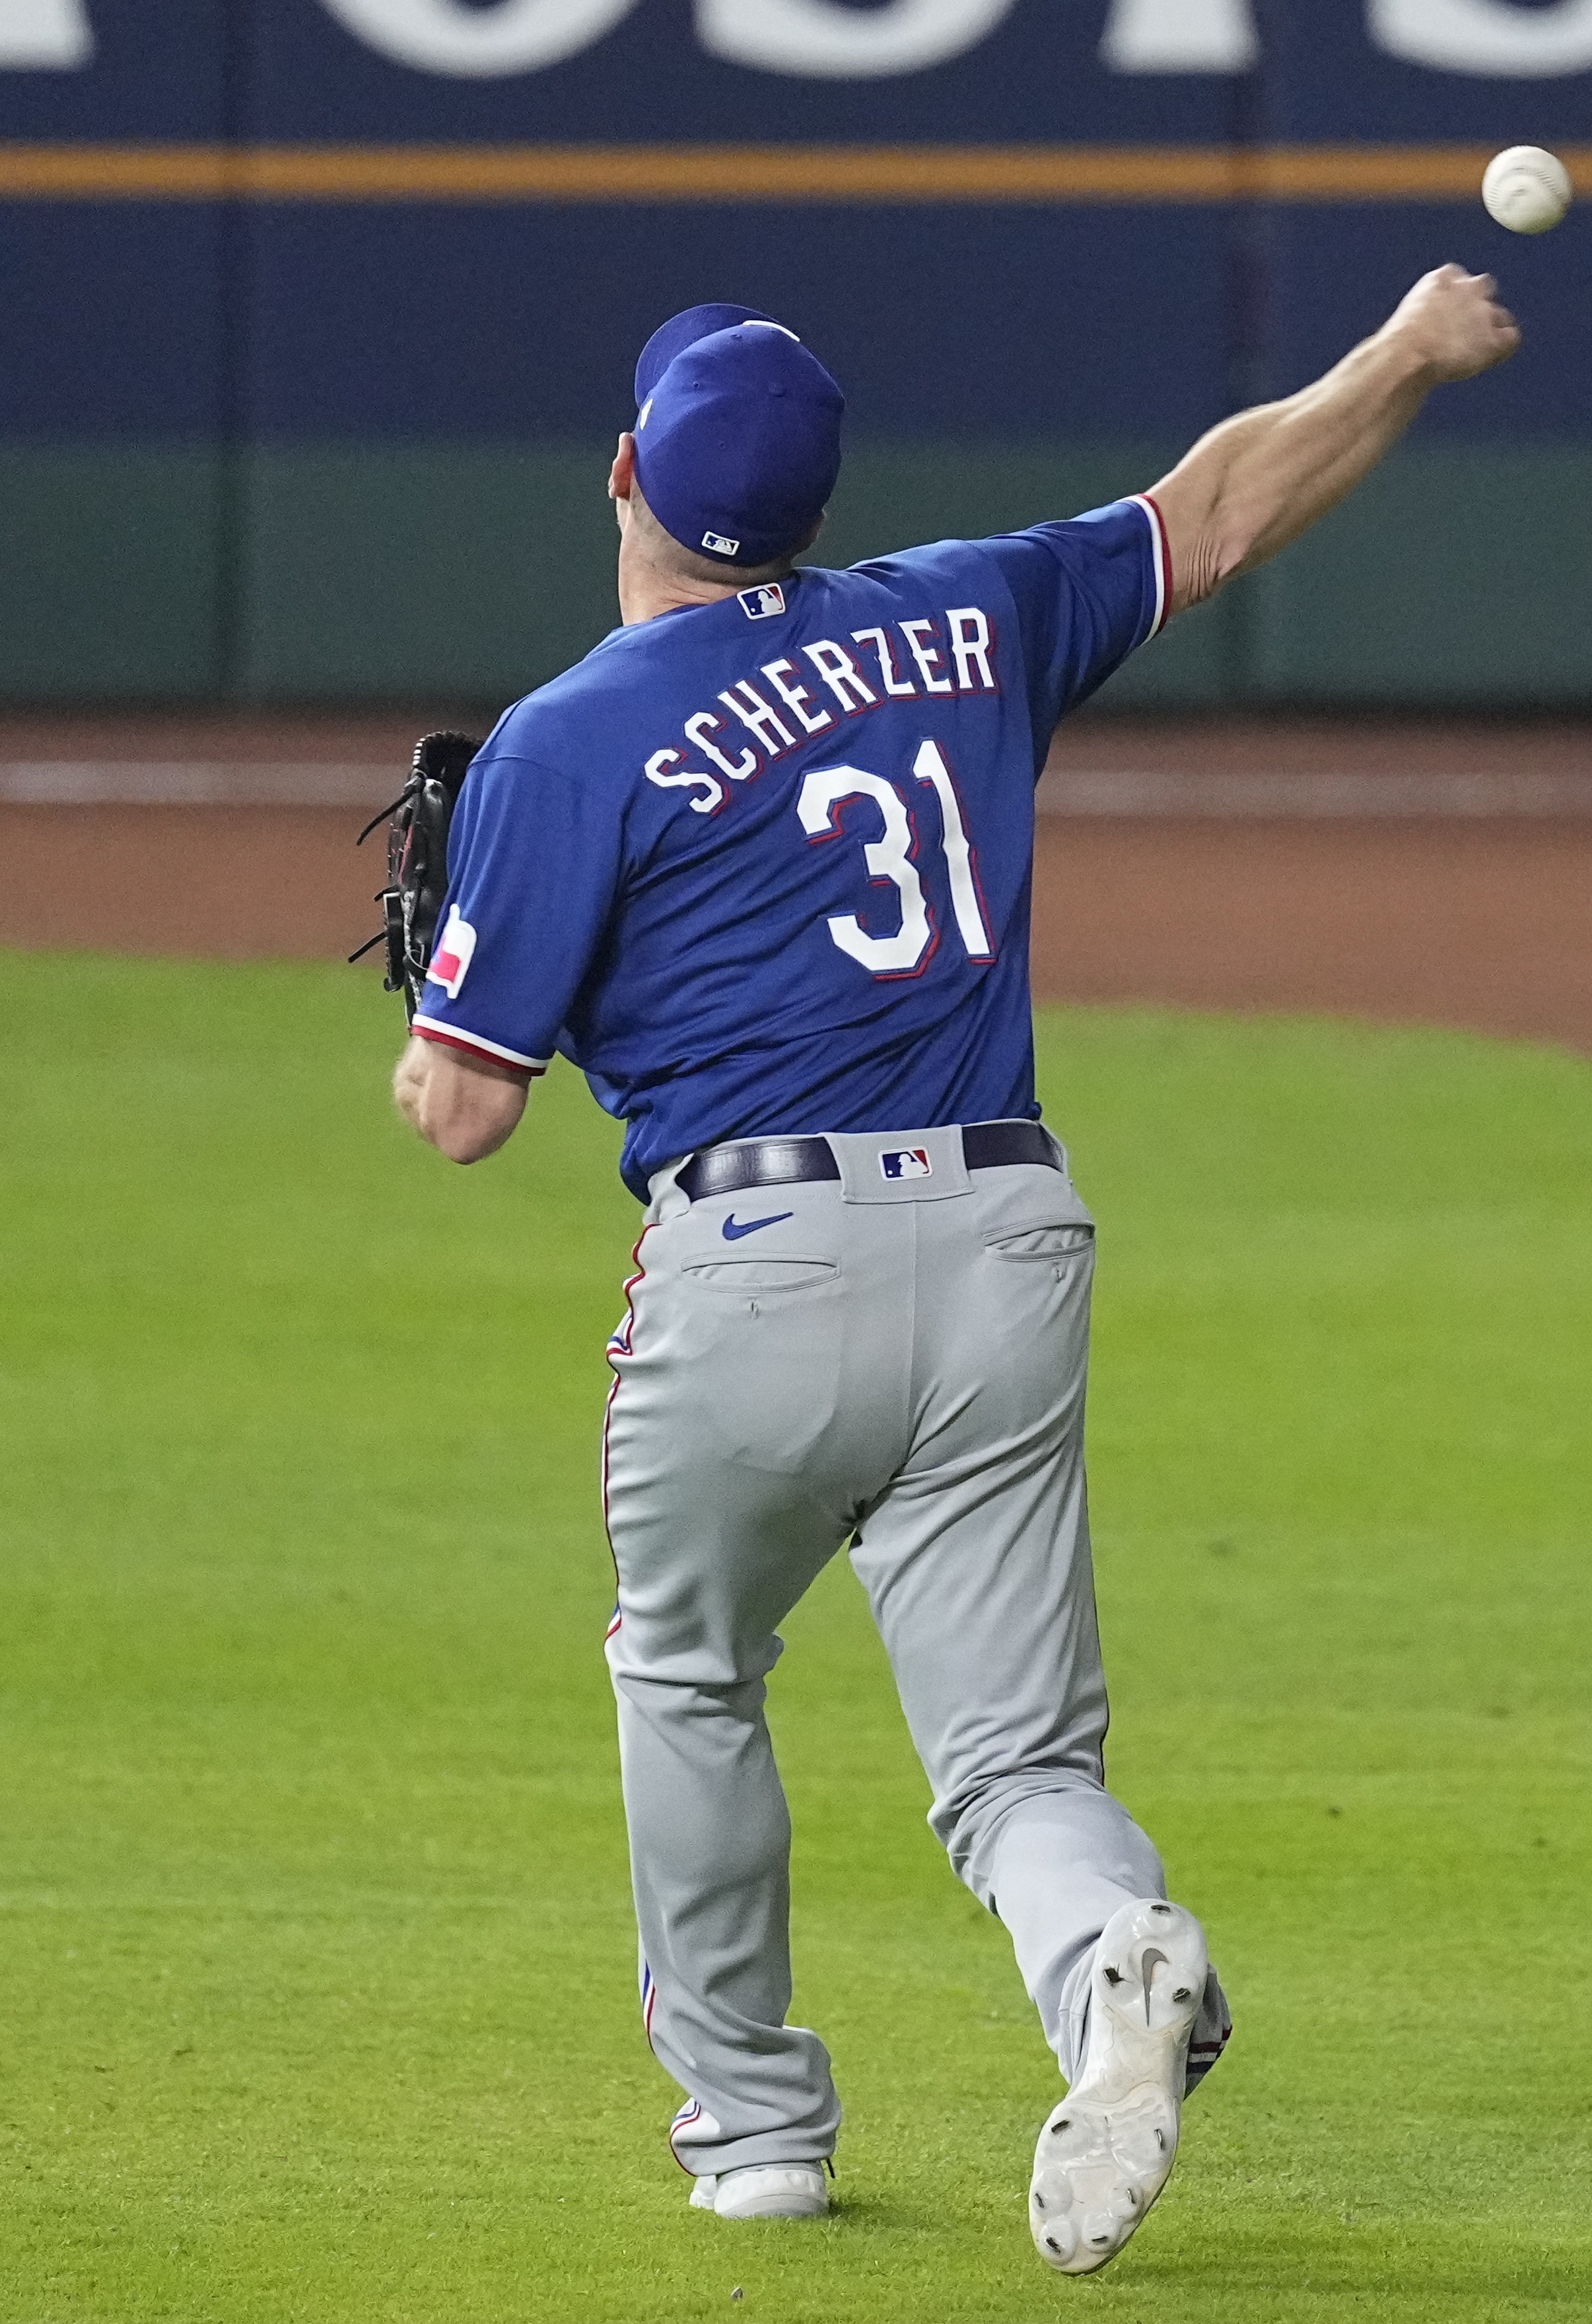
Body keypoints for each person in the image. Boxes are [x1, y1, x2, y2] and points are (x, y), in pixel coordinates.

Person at [388, 267, 1521, 2269]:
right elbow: (1225, 506)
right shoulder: (966, 611)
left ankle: (752, 2129)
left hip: (749, 1265)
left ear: (625, 471)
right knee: (1016, 1762)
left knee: (688, 1667)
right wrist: (1410, 353)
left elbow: (466, 1103)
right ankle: (1108, 1961)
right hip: (1006, 1240)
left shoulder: (567, 744)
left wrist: (462, 990)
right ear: (822, 499)